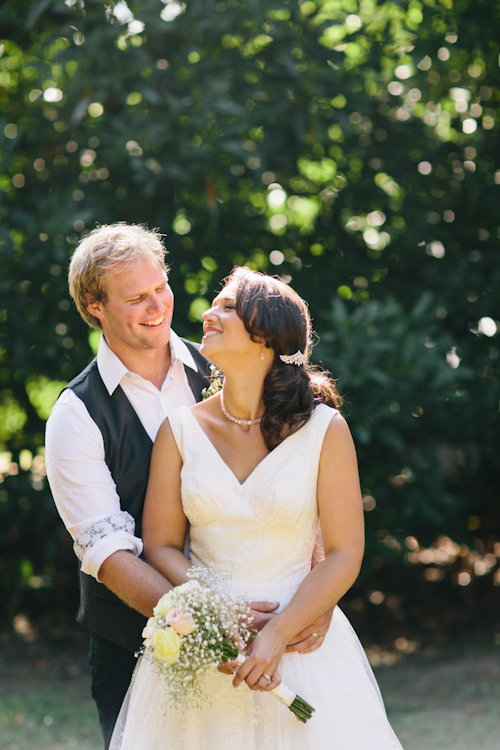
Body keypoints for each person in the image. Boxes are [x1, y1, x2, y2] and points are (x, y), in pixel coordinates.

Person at [45, 225, 331, 750]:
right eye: (136, 298)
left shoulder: (225, 362)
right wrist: (206, 620)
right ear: (95, 306)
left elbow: (295, 482)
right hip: (133, 644)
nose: (158, 305)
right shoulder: (76, 416)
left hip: (269, 630)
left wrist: (315, 597)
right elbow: (107, 553)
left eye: (161, 287)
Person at [110, 266, 404, 750]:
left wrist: (278, 632)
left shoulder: (325, 431)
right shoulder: (179, 430)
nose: (207, 313)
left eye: (227, 306)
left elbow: (344, 552)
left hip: (302, 647)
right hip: (205, 652)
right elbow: (160, 544)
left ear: (265, 336)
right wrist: (211, 612)